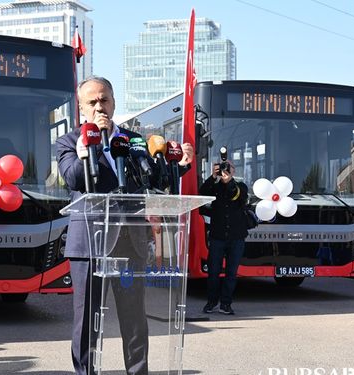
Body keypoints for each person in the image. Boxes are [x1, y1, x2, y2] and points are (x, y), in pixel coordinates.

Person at [56, 76, 193, 375]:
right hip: (89, 245)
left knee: (134, 320)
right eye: (91, 102)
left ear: (114, 102)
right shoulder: (68, 141)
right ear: (81, 108)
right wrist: (85, 148)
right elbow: (74, 180)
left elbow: (155, 182)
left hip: (130, 242)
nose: (99, 107)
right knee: (86, 321)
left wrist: (179, 165)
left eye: (104, 100)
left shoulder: (133, 140)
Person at [199, 160, 248, 315]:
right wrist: (213, 177)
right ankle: (212, 302)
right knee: (213, 272)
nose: (225, 171)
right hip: (218, 236)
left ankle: (226, 304)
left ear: (233, 171)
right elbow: (202, 194)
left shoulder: (241, 187)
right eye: (222, 168)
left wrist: (228, 181)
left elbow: (238, 197)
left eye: (229, 168)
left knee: (231, 273)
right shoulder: (215, 187)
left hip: (236, 236)